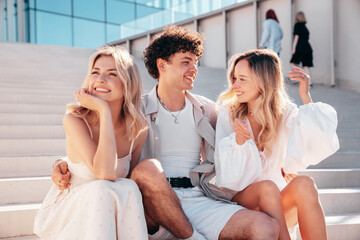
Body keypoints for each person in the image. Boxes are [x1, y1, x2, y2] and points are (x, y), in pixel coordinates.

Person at [52, 26, 281, 240]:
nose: (194, 69)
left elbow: (241, 142)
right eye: (186, 62)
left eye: (196, 62)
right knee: (148, 169)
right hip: (151, 203)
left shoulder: (207, 110)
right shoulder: (133, 110)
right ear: (162, 65)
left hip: (196, 198)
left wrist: (280, 165)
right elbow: (107, 144)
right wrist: (64, 163)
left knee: (266, 227)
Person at [215, 49, 340, 240]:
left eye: (242, 79)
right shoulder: (228, 113)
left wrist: (306, 96)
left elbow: (315, 140)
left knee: (305, 183)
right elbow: (228, 179)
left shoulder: (284, 112)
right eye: (234, 78)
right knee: (267, 187)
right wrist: (238, 143)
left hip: (275, 200)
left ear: (262, 81)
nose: (235, 85)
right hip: (240, 203)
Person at [34, 46, 149, 240]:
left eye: (112, 74)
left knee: (128, 187)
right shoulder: (75, 120)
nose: (100, 79)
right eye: (95, 72)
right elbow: (104, 173)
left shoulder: (138, 130)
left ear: (128, 82)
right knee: (101, 187)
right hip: (68, 213)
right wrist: (103, 110)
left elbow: (125, 184)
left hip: (107, 218)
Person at [290, 11, 313, 86]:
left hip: (300, 48)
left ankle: (296, 79)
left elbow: (296, 37)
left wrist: (293, 48)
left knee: (293, 62)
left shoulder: (297, 25)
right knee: (305, 65)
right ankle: (309, 82)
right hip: (307, 48)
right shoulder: (305, 27)